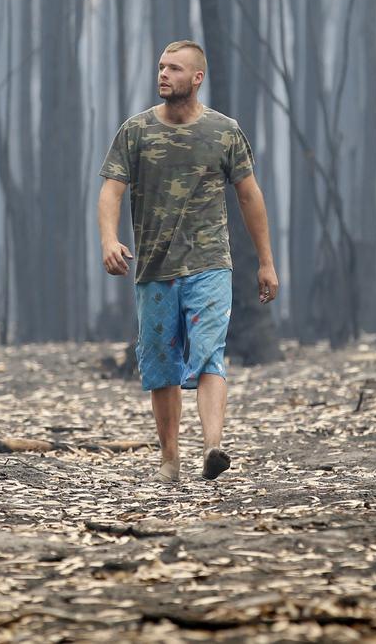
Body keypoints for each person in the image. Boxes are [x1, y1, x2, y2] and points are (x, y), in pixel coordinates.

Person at [98, 40, 278, 483]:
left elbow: (250, 195)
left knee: (209, 353)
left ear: (197, 78)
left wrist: (266, 262)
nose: (163, 74)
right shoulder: (135, 132)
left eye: (174, 68)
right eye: (160, 67)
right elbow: (111, 191)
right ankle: (169, 458)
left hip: (210, 262)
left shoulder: (224, 132)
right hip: (154, 268)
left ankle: (214, 446)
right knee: (162, 366)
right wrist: (108, 239)